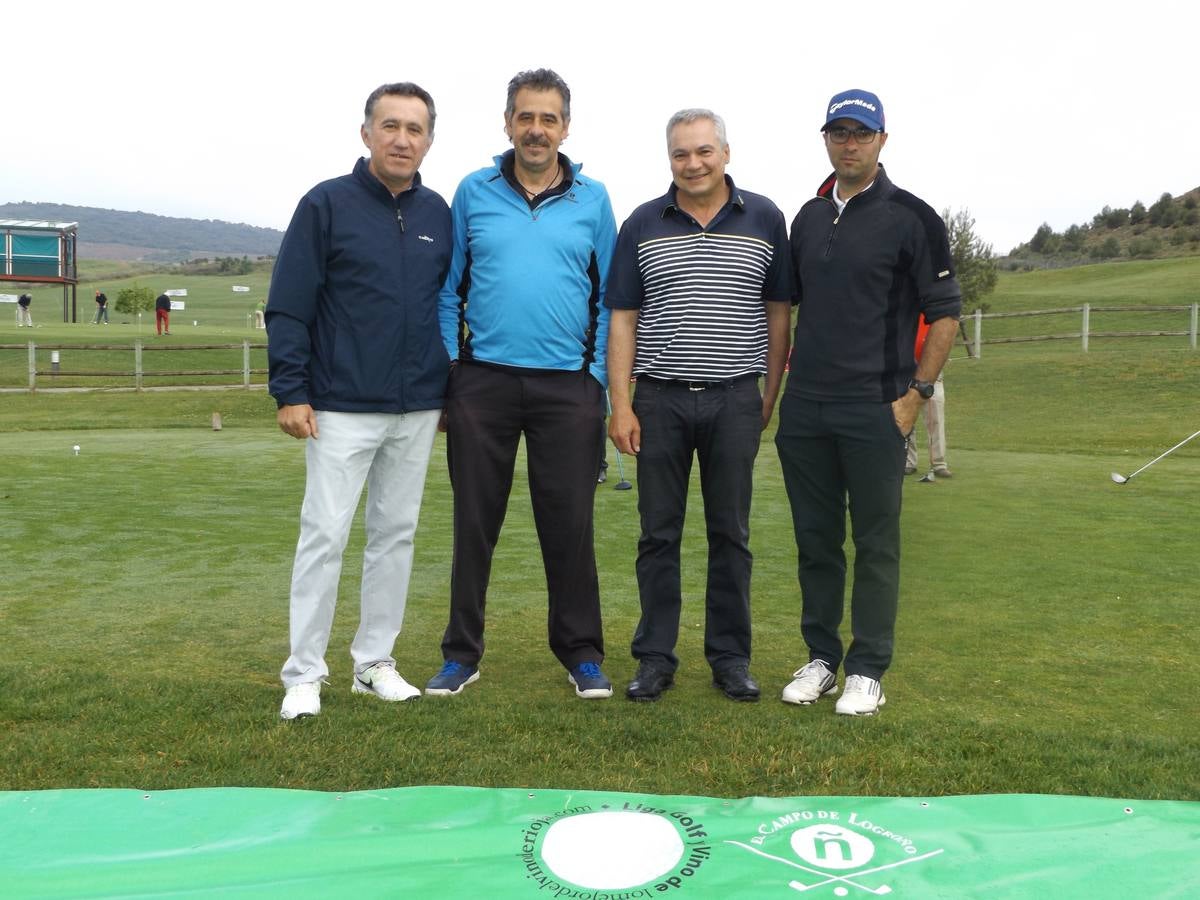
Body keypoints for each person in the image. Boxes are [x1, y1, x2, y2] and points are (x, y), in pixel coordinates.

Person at [427, 68, 617, 700]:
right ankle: (461, 653)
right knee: (474, 524)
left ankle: (582, 653)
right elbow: (449, 288)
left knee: (569, 526)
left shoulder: (593, 199)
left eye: (549, 118)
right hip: (483, 385)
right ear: (508, 121)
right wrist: (454, 370)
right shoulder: (473, 191)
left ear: (566, 126)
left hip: (569, 389)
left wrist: (595, 381)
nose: (537, 130)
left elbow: (610, 298)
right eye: (526, 117)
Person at [267, 81, 452, 720]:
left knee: (394, 536)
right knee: (324, 535)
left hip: (418, 405)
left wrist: (446, 390)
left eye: (416, 129)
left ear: (429, 139)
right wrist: (291, 390)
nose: (403, 139)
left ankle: (374, 663)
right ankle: (304, 674)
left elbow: (445, 308)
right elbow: (289, 305)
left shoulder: (439, 215)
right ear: (367, 132)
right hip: (339, 405)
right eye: (390, 125)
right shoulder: (326, 204)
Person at [775, 89, 961, 716]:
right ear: (825, 138)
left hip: (877, 406)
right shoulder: (805, 216)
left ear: (883, 139)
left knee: (876, 542)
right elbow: (788, 308)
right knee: (816, 540)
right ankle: (823, 659)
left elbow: (945, 316)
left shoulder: (912, 217)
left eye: (861, 132)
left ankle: (868, 667)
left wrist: (917, 395)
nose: (849, 143)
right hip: (805, 408)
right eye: (839, 132)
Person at [607, 109, 793, 703]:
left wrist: (768, 394)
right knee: (657, 535)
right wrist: (621, 403)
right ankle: (655, 659)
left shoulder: (765, 218)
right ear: (670, 160)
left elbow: (778, 313)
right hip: (659, 398)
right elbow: (623, 320)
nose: (693, 164)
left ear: (726, 153)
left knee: (730, 534)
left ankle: (731, 658)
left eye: (704, 151)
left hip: (735, 397)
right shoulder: (641, 223)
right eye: (681, 154)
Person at [905, 316, 951, 479]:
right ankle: (909, 462)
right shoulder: (904, 316)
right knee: (906, 418)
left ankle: (938, 464)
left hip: (932, 375)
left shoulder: (933, 317)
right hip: (906, 375)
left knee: (935, 419)